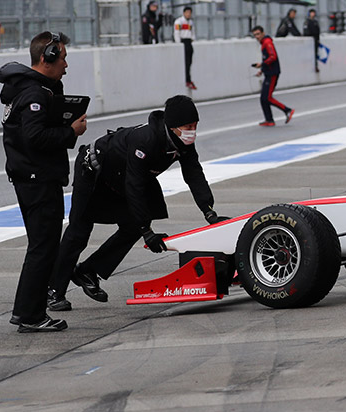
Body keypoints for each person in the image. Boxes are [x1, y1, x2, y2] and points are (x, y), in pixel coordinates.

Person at [48, 95, 225, 308]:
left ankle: (88, 271)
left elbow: (194, 175)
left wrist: (209, 212)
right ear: (173, 126)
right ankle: (53, 290)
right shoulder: (146, 141)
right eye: (188, 126)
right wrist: (146, 230)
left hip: (119, 177)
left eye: (195, 125)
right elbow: (135, 186)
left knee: (133, 226)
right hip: (93, 169)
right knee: (79, 231)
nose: (193, 131)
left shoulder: (183, 144)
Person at [0, 31, 87, 333]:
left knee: (42, 246)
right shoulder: (34, 94)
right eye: (62, 58)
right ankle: (30, 315)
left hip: (33, 176)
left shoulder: (32, 89)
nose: (66, 65)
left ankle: (27, 312)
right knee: (43, 247)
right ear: (46, 58)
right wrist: (71, 132)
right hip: (37, 179)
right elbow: (34, 137)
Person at [251, 25, 293, 126]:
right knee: (263, 98)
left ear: (263, 33)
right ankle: (269, 120)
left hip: (272, 73)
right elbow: (267, 58)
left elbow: (273, 57)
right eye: (255, 35)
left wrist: (262, 65)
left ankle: (287, 110)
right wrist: (262, 70)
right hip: (268, 72)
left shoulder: (267, 42)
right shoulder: (264, 43)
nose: (257, 37)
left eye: (258, 34)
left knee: (267, 98)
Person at [172, 7, 196, 90]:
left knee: (189, 61)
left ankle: (189, 79)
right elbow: (176, 33)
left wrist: (193, 39)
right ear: (184, 13)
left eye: (190, 13)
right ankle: (187, 79)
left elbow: (193, 33)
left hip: (189, 41)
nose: (188, 14)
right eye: (187, 12)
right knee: (185, 62)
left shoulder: (191, 22)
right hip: (183, 41)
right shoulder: (179, 22)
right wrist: (178, 43)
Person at [303, 8, 321, 75]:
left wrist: (318, 39)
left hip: (315, 40)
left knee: (316, 54)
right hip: (310, 40)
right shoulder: (307, 22)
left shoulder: (315, 22)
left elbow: (318, 31)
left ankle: (316, 66)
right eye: (311, 13)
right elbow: (305, 31)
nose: (313, 14)